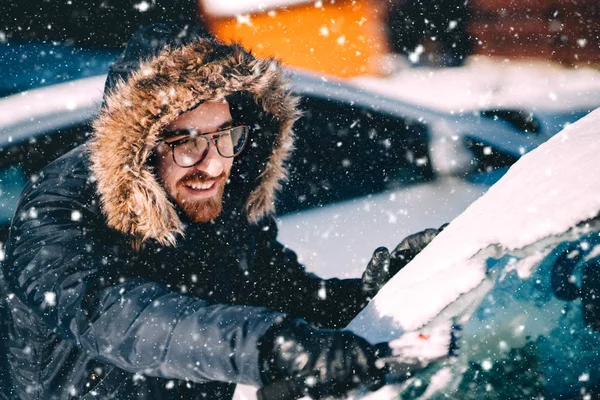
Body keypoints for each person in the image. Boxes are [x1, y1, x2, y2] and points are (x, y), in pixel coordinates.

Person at [0, 22, 441, 399]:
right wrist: (270, 347)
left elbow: (286, 299)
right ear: (138, 148)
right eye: (186, 142)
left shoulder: (221, 205)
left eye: (225, 136)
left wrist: (368, 294)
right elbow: (112, 316)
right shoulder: (58, 209)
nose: (213, 165)